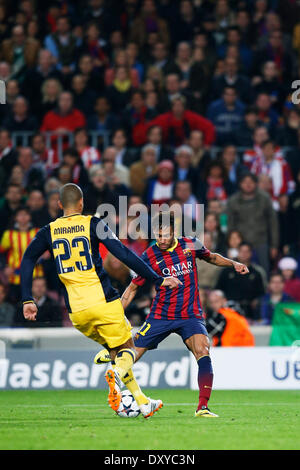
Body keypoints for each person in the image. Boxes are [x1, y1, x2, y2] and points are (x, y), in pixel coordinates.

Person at [20, 183, 180, 418]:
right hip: (103, 302)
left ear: (59, 204)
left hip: (76, 312)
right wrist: (156, 279)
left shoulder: (48, 230)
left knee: (116, 350)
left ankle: (142, 402)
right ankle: (114, 375)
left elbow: (27, 259)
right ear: (82, 203)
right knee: (129, 349)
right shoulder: (93, 224)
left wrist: (27, 299)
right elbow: (123, 253)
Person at [96, 211, 249, 417]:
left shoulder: (190, 244)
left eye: (165, 235)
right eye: (157, 235)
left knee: (203, 350)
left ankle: (202, 407)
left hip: (190, 315)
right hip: (161, 315)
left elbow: (211, 257)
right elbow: (132, 288)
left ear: (174, 232)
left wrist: (234, 263)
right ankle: (115, 372)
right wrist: (115, 314)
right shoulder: (149, 255)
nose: (161, 239)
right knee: (133, 352)